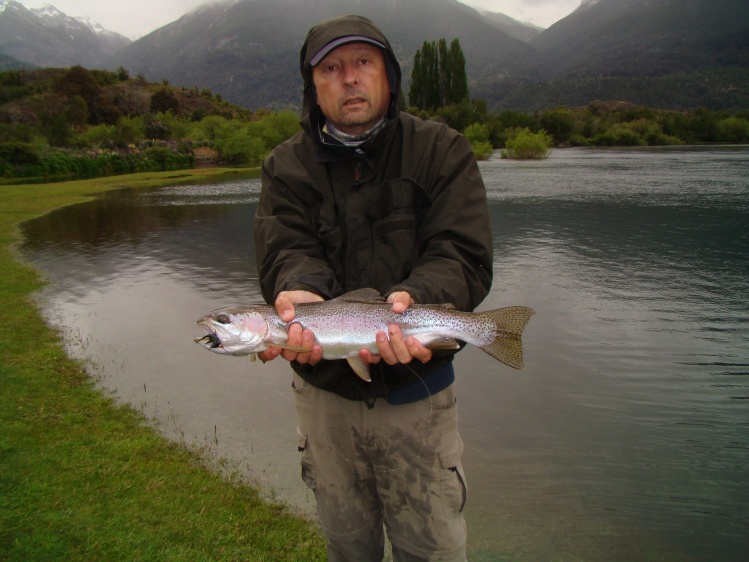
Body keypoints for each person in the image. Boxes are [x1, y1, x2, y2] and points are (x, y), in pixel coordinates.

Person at [253, 14, 493, 562]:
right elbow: (283, 251)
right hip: (325, 400)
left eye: (363, 62)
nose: (349, 78)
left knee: (431, 549)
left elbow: (462, 252)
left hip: (419, 395)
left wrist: (416, 297)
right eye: (331, 68)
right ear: (313, 87)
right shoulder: (285, 166)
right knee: (348, 547)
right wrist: (300, 290)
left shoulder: (441, 150)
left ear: (388, 74)